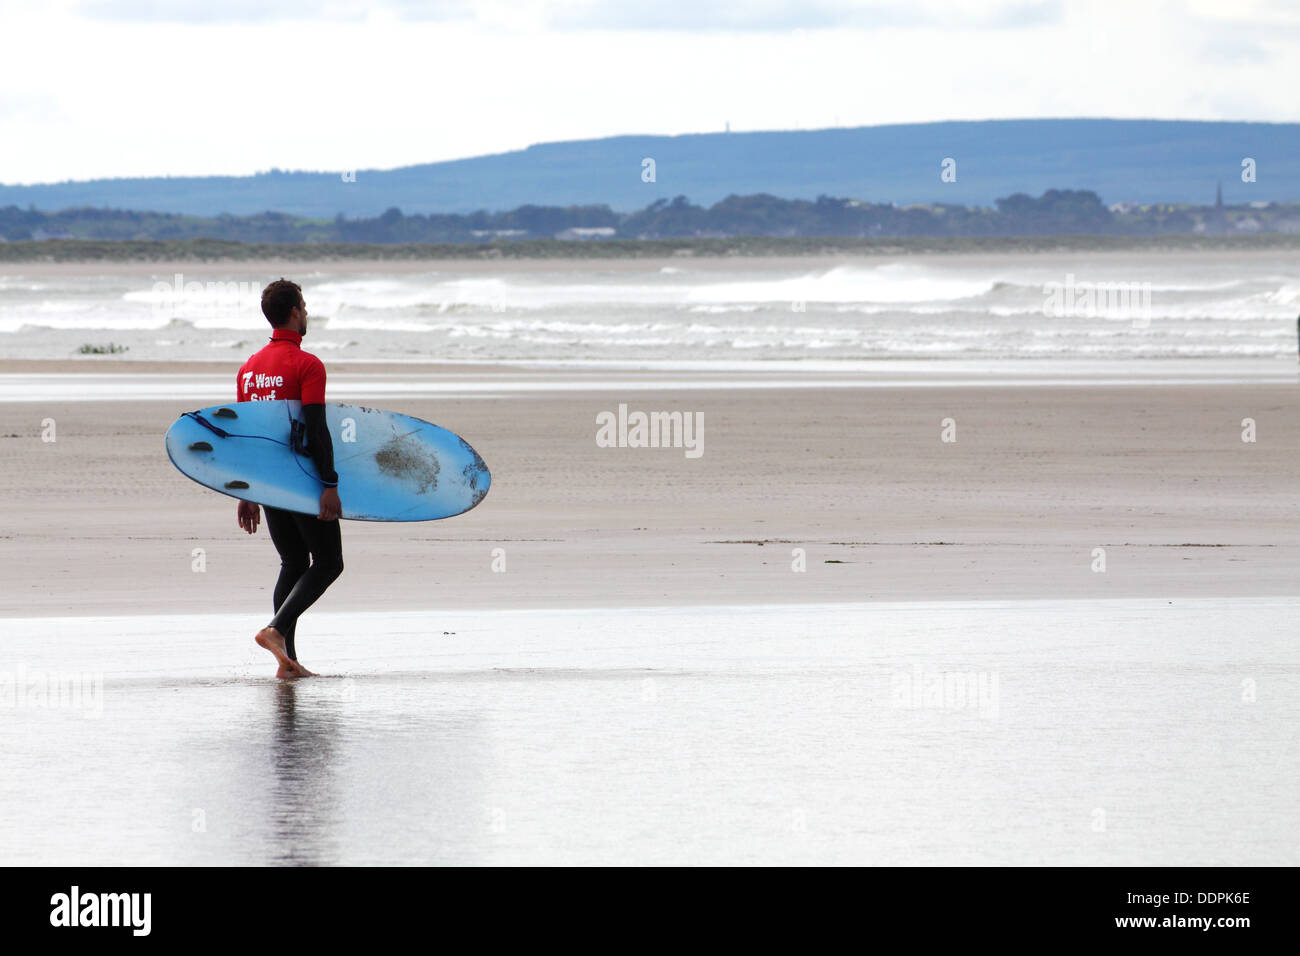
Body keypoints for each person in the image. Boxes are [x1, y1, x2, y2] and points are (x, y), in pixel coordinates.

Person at [235, 278, 343, 679]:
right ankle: (276, 630)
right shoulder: (306, 364)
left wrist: (244, 491)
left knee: (294, 560)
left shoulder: (249, 370)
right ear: (296, 311)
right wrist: (329, 484)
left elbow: (246, 436)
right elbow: (316, 429)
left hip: (265, 480)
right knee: (329, 562)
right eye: (305, 305)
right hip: (300, 479)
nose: (307, 312)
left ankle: (288, 662)